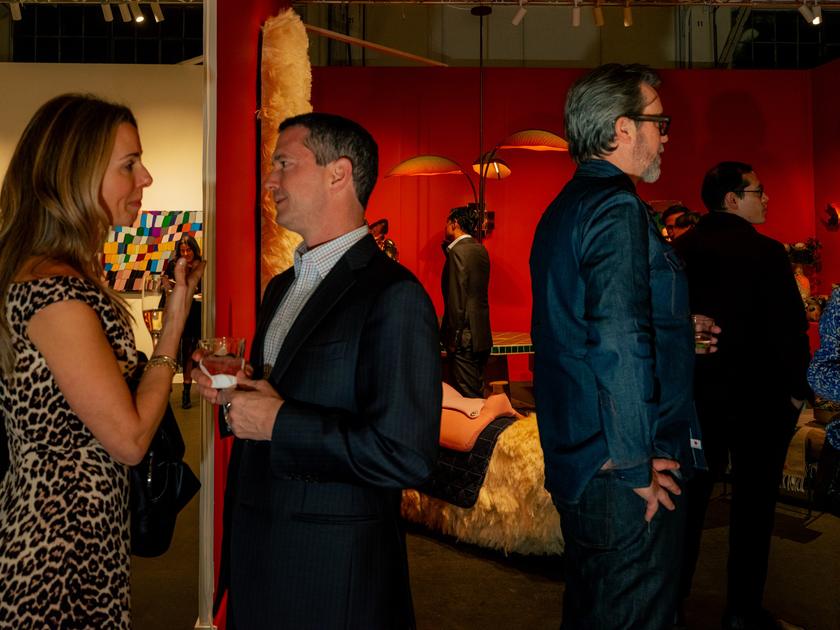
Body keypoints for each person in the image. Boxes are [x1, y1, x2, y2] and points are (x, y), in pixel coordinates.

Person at [192, 113, 441, 629]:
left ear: (338, 174)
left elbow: (407, 456)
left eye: (284, 163)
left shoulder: (394, 295)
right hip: (259, 561)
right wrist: (237, 393)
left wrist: (278, 421)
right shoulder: (281, 287)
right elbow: (282, 397)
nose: (269, 180)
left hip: (333, 578)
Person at [0, 94, 203, 628]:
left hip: (71, 531)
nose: (146, 178)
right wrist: (172, 334)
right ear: (76, 174)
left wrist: (176, 312)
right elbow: (130, 439)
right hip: (59, 549)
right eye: (129, 165)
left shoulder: (55, 277)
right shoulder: (56, 294)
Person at [530, 64, 704, 630]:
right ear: (623, 128)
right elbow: (618, 340)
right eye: (660, 122)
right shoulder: (616, 205)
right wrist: (634, 465)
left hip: (583, 457)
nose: (666, 136)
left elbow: (580, 323)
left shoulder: (568, 204)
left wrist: (676, 327)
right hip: (621, 468)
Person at [673, 161, 811, 630]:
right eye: (758, 190)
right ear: (732, 199)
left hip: (696, 401)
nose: (766, 198)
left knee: (688, 505)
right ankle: (741, 612)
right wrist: (796, 394)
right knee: (754, 509)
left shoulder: (680, 251)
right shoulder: (767, 253)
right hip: (760, 404)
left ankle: (672, 603)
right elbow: (790, 331)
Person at [440, 206, 492, 398]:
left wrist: (453, 340)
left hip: (464, 339)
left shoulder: (458, 252)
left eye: (447, 222)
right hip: (481, 336)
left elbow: (457, 298)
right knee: (476, 393)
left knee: (468, 399)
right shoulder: (481, 250)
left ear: (455, 223)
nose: (445, 226)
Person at [161, 235, 203, 408]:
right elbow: (165, 285)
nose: (185, 254)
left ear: (194, 250)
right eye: (182, 251)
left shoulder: (201, 266)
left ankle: (188, 391)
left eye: (188, 250)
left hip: (197, 311)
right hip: (178, 311)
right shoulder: (174, 265)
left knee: (193, 351)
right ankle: (169, 390)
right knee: (177, 350)